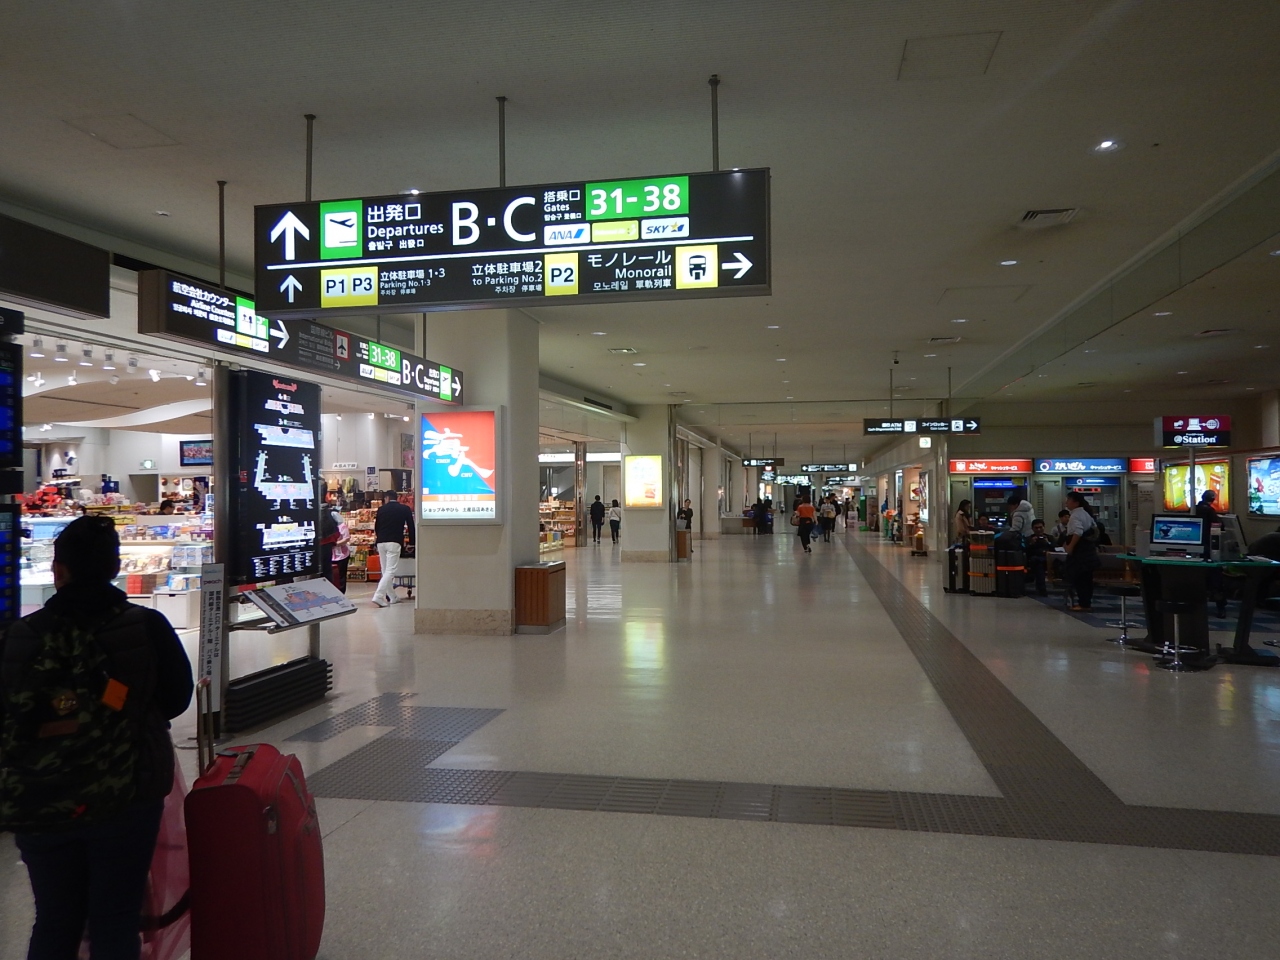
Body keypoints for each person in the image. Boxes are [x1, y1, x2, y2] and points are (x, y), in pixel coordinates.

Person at [1, 515, 193, 960]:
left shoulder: (17, 637)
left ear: (58, 570)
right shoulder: (147, 626)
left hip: (40, 798)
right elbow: (176, 699)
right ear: (115, 568)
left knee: (54, 918)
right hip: (126, 793)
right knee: (116, 917)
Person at [372, 490, 414, 608]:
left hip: (381, 542)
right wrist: (412, 543)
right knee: (390, 571)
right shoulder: (404, 509)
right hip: (394, 542)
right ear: (397, 498)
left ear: (387, 498)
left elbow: (377, 527)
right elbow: (411, 526)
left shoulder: (381, 509)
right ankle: (378, 595)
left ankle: (392, 596)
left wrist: (377, 540)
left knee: (385, 570)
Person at [1062, 491, 1101, 612]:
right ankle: (1086, 602)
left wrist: (1070, 546)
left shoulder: (1075, 515)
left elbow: (1078, 532)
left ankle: (1083, 603)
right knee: (1087, 579)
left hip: (1080, 553)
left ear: (1076, 503)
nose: (1066, 502)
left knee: (1080, 579)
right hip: (1088, 551)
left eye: (1068, 500)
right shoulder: (1086, 513)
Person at [1024, 518, 1053, 596]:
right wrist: (1031, 543)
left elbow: (1056, 549)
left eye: (1040, 527)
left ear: (1044, 527)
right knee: (1038, 563)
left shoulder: (1049, 538)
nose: (1039, 530)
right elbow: (1026, 551)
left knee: (1039, 563)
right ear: (1032, 529)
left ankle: (1041, 588)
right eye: (1036, 528)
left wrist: (1048, 543)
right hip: (1035, 560)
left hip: (1048, 559)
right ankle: (1042, 589)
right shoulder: (1029, 539)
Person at [329, 506, 351, 594]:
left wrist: (334, 544)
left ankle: (341, 592)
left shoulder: (342, 526)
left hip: (342, 555)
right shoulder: (329, 528)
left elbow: (346, 538)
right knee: (332, 575)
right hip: (332, 555)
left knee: (341, 576)